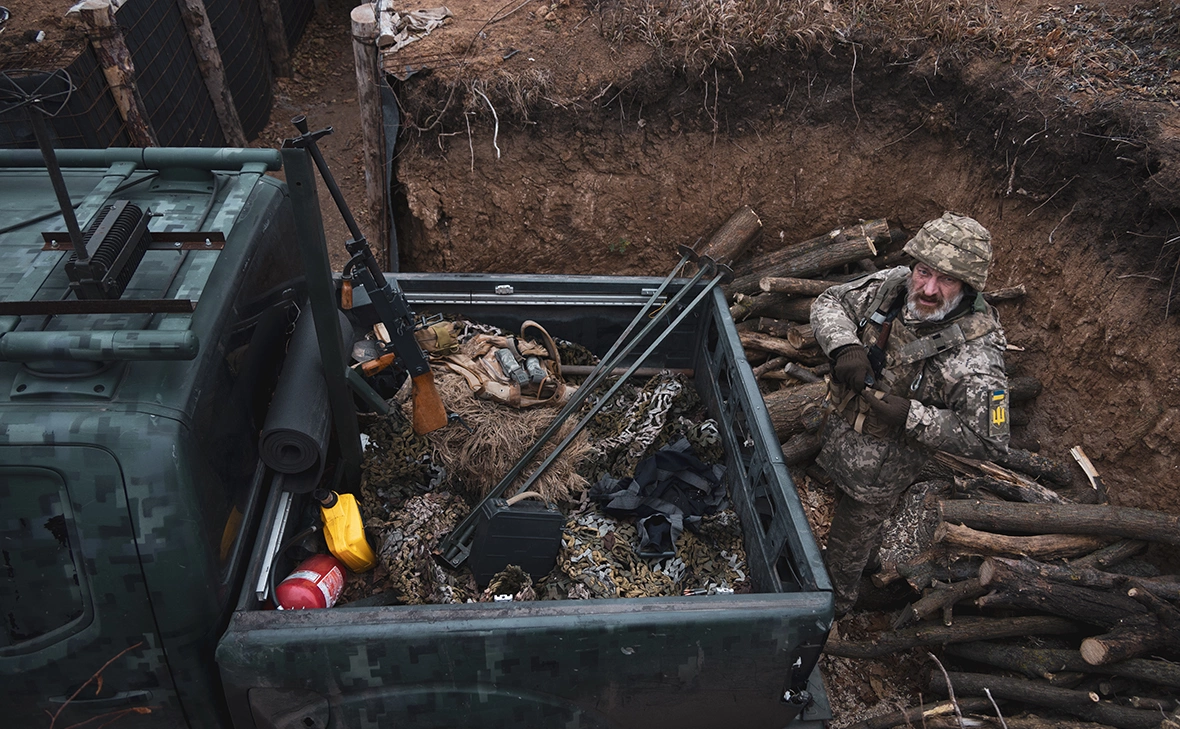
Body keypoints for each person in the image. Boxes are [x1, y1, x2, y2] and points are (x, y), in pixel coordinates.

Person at [809, 212, 1010, 617]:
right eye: (924, 272)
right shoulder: (894, 285)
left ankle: (831, 611)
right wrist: (844, 346)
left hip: (882, 470)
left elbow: (993, 438)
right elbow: (829, 301)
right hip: (840, 438)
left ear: (967, 285)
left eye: (946, 280)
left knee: (846, 546)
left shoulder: (977, 358)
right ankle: (867, 562)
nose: (929, 288)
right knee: (854, 527)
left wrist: (912, 415)